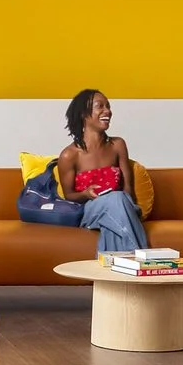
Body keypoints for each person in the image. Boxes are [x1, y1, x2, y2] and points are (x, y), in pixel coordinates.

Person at [55, 89, 150, 255]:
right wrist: (85, 193)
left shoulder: (118, 145)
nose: (107, 111)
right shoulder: (69, 155)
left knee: (116, 210)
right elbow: (68, 195)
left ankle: (116, 273)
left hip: (122, 206)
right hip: (90, 211)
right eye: (100, 106)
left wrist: (127, 207)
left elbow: (128, 187)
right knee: (116, 199)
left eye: (108, 106)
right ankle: (143, 260)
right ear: (84, 114)